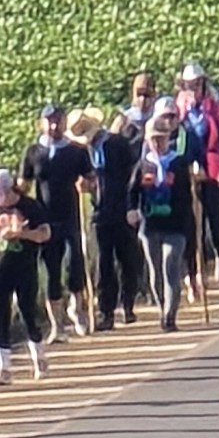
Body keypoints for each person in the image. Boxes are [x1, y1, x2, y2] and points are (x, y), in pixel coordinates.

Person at [22, 105, 90, 335]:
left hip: (70, 217)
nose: (54, 125)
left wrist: (86, 184)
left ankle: (77, 309)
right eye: (49, 121)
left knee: (74, 264)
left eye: (58, 121)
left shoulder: (76, 151)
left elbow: (91, 178)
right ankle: (57, 325)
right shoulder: (33, 152)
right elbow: (24, 184)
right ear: (41, 123)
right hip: (44, 220)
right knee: (51, 270)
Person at [0, 169, 50, 379]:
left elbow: (45, 233)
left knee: (27, 310)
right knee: (0, 312)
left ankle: (38, 355)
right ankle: (4, 368)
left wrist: (22, 233)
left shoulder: (30, 206)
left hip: (24, 265)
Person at [135, 104, 195, 329]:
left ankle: (170, 315)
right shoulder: (143, 165)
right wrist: (133, 210)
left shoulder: (178, 162)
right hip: (150, 225)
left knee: (171, 266)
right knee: (155, 271)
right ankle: (162, 307)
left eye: (161, 138)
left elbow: (186, 194)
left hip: (175, 224)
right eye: (154, 139)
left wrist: (186, 218)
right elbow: (133, 192)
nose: (158, 143)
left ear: (168, 138)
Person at [89, 104, 144, 328]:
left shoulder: (117, 143)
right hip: (98, 213)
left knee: (128, 259)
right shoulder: (82, 152)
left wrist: (132, 205)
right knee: (103, 263)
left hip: (121, 209)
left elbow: (133, 174)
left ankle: (128, 303)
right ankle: (106, 312)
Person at [177, 64, 219, 293]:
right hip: (189, 169)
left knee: (214, 217)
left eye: (196, 84)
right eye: (189, 84)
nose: (193, 88)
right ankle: (197, 270)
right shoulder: (180, 109)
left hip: (211, 165)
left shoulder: (214, 108)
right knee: (192, 224)